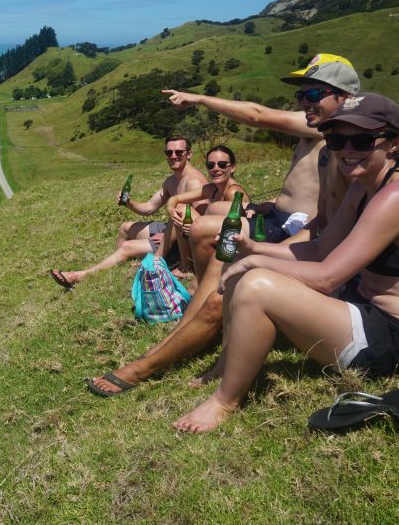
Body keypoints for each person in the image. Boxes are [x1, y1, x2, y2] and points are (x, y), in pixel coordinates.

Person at [173, 93, 399, 433]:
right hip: (363, 307)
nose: (347, 151)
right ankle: (227, 360)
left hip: (398, 342)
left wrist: (253, 264)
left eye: (362, 140)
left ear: (394, 143)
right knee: (246, 268)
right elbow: (320, 249)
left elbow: (326, 276)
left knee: (256, 284)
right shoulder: (363, 187)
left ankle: (223, 401)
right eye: (336, 140)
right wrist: (252, 248)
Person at [85, 54, 359, 396]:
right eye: (300, 95)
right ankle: (197, 320)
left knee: (222, 288)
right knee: (204, 235)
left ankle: (150, 362)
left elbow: (258, 117)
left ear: (344, 97)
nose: (303, 102)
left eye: (312, 94)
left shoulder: (347, 148)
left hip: (297, 232)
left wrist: (199, 99)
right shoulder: (319, 127)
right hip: (276, 218)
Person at [50, 135, 207, 289]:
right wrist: (129, 203)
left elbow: (201, 224)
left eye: (179, 152)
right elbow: (149, 208)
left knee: (127, 247)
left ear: (189, 154)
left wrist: (169, 237)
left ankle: (80, 276)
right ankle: (115, 266)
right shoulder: (172, 181)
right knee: (125, 228)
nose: (173, 156)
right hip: (170, 230)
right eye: (169, 153)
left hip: (182, 244)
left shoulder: (194, 182)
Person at [159, 145, 249, 283]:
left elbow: (238, 228)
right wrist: (170, 208)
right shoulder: (211, 189)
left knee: (184, 212)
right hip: (216, 237)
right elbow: (176, 199)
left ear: (233, 167)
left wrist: (198, 228)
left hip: (231, 246)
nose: (216, 169)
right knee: (181, 209)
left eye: (222, 164)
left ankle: (188, 267)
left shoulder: (233, 193)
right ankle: (186, 265)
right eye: (210, 165)